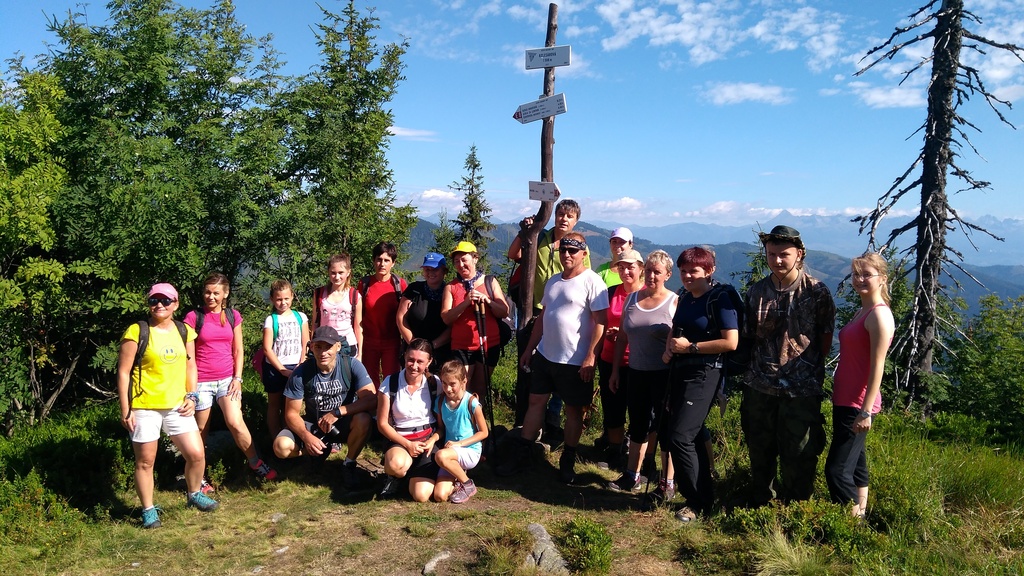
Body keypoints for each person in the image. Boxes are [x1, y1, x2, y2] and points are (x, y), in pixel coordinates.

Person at [497, 232, 608, 483]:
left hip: (575, 361)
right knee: (536, 402)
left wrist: (590, 357)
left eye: (573, 250)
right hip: (546, 355)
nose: (567, 254)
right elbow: (543, 319)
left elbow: (601, 323)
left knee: (573, 411)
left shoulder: (593, 282)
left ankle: (568, 460)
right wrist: (529, 349)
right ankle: (524, 453)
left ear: (584, 253)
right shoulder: (553, 281)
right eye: (563, 250)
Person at [741, 225, 836, 506]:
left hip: (802, 388)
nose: (777, 260)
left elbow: (825, 337)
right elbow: (748, 336)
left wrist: (809, 369)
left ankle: (797, 509)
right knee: (759, 448)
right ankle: (762, 505)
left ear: (799, 254)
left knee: (801, 451)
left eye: (784, 254)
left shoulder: (816, 291)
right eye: (772, 254)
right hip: (760, 385)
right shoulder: (757, 291)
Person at [117, 283, 218, 529]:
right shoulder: (136, 331)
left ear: (176, 304)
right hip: (144, 406)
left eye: (166, 300)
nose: (160, 305)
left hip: (177, 405)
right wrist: (126, 409)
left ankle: (194, 494)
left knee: (196, 454)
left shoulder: (184, 331)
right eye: (154, 300)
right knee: (145, 461)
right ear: (148, 303)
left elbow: (190, 366)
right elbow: (123, 372)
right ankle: (148, 510)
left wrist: (192, 396)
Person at [662, 247, 739, 523]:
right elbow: (676, 327)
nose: (687, 276)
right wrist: (670, 348)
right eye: (683, 271)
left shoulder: (719, 298)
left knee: (680, 436)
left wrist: (691, 347)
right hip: (682, 371)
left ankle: (696, 502)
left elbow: (731, 342)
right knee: (690, 436)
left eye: (694, 271)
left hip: (706, 373)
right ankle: (704, 498)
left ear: (709, 271)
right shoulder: (685, 297)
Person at [183, 273, 276, 490]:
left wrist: (238, 378)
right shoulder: (193, 317)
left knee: (235, 421)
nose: (211, 297)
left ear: (225, 294)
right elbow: (188, 357)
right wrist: (190, 389)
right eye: (207, 292)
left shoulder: (233, 316)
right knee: (200, 429)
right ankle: (199, 476)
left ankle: (255, 462)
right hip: (201, 381)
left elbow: (238, 350)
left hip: (227, 379)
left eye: (216, 293)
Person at [507, 199, 591, 432]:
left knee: (560, 362)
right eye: (561, 214)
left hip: (564, 313)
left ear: (576, 221)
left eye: (570, 216)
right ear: (554, 215)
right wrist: (525, 231)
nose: (564, 219)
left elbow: (585, 277)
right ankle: (529, 416)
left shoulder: (578, 247)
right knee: (535, 363)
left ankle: (552, 415)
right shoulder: (540, 237)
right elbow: (513, 254)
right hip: (533, 309)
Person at [825, 253, 894, 519]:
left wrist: (865, 411)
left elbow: (878, 366)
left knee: (837, 470)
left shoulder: (879, 316)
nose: (860, 279)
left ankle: (851, 524)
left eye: (867, 274)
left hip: (857, 403)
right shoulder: (862, 311)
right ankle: (861, 514)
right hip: (846, 399)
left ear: (882, 278)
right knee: (855, 463)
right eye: (856, 274)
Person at [607, 250, 679, 502]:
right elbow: (622, 338)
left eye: (657, 272)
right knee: (637, 424)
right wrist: (615, 370)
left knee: (664, 428)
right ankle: (632, 475)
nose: (651, 276)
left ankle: (667, 483)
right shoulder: (632, 299)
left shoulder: (674, 302)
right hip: (635, 371)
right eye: (648, 270)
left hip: (664, 375)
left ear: (667, 275)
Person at [273, 326, 376, 490]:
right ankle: (318, 449)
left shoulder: (351, 365)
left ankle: (349, 464)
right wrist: (307, 437)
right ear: (311, 347)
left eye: (328, 347)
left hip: (343, 423)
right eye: (318, 347)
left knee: (364, 419)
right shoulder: (301, 373)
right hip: (314, 424)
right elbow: (291, 414)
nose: (323, 352)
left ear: (338, 346)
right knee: (281, 447)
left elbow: (371, 399)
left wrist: (338, 412)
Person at [595, 248, 645, 471]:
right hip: (609, 358)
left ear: (641, 269)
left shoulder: (648, 295)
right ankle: (615, 451)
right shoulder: (609, 293)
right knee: (613, 408)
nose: (625, 272)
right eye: (621, 267)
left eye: (630, 267)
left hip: (638, 362)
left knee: (638, 410)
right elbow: (599, 323)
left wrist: (627, 334)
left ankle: (634, 454)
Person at [376, 339, 443, 501]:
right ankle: (395, 476)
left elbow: (443, 423)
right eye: (411, 360)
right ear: (405, 356)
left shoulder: (435, 383)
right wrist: (407, 445)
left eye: (420, 362)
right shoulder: (390, 382)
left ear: (429, 362)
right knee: (395, 465)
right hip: (400, 439)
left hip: (427, 440)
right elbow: (382, 423)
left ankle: (411, 475)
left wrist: (432, 440)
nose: (414, 366)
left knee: (421, 496)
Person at [441, 241, 510, 397]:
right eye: (456, 261)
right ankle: (463, 413)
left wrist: (488, 301)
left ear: (475, 259)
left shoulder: (490, 282)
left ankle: (478, 412)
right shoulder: (451, 287)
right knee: (460, 390)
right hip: (461, 346)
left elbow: (504, 311)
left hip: (489, 344)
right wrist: (466, 303)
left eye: (464, 260)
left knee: (480, 390)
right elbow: (446, 318)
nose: (460, 265)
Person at [433, 360, 489, 504]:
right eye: (444, 383)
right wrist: (432, 439)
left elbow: (484, 432)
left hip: (469, 450)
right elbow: (441, 429)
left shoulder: (472, 402)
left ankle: (468, 485)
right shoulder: (440, 402)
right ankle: (458, 479)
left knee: (440, 456)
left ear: (464, 381)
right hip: (450, 453)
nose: (448, 389)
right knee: (439, 496)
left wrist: (459, 444)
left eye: (452, 384)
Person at [261, 279, 310, 439]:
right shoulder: (271, 320)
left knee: (291, 405)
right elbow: (267, 349)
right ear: (272, 299)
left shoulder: (300, 317)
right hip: (275, 368)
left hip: (297, 366)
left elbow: (306, 343)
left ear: (292, 297)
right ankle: (275, 437)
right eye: (279, 299)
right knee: (275, 404)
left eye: (286, 298)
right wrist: (282, 370)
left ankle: (288, 435)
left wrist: (301, 363)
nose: (283, 303)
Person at [358, 242, 408, 386]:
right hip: (368, 341)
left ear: (393, 263)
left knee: (391, 381)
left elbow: (406, 314)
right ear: (374, 261)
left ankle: (389, 402)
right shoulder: (364, 284)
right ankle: (372, 401)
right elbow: (358, 314)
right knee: (368, 381)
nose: (382, 264)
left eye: (387, 260)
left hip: (392, 342)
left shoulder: (399, 284)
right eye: (379, 259)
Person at [397, 252, 452, 371]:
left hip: (441, 354)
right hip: (412, 354)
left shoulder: (451, 292)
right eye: (427, 269)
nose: (430, 272)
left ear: (444, 271)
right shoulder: (414, 289)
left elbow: (453, 326)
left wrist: (432, 346)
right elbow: (401, 318)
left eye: (435, 269)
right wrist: (414, 344)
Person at [312, 253, 363, 361]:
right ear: (328, 272)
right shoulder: (319, 294)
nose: (337, 277)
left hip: (347, 344)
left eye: (341, 273)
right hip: (325, 344)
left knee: (346, 372)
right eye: (333, 273)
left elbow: (358, 327)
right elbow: (315, 323)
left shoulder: (354, 296)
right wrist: (312, 345)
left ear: (348, 272)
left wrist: (360, 353)